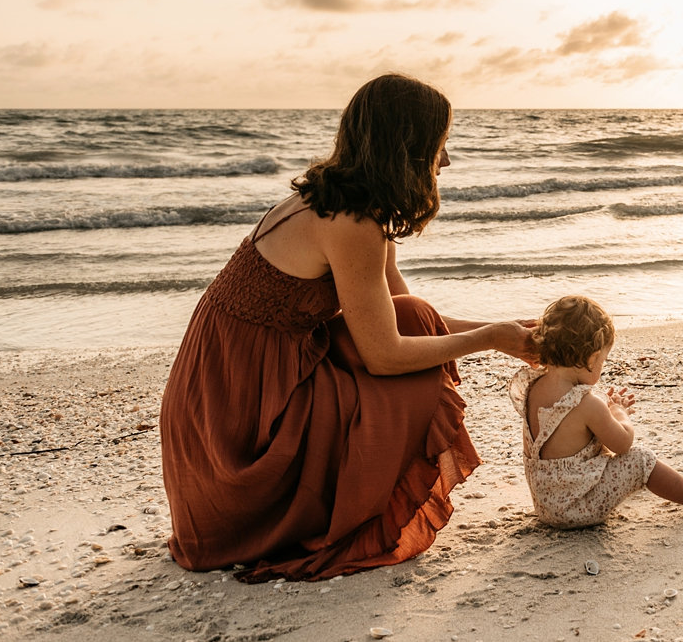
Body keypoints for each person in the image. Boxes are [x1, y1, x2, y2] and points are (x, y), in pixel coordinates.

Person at [160, 73, 537, 582]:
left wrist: (501, 333)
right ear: (407, 147)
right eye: (440, 145)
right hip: (238, 421)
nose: (445, 161)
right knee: (414, 354)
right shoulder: (350, 221)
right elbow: (384, 354)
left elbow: (405, 314)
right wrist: (487, 340)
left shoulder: (353, 205)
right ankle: (333, 508)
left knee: (418, 315)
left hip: (242, 383)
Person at [508, 295, 683, 528]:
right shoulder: (585, 403)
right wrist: (619, 412)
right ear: (592, 359)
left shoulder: (533, 387)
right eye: (603, 361)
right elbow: (623, 444)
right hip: (578, 509)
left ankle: (653, 485)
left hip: (546, 506)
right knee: (641, 460)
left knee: (612, 461)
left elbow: (568, 438)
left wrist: (606, 413)